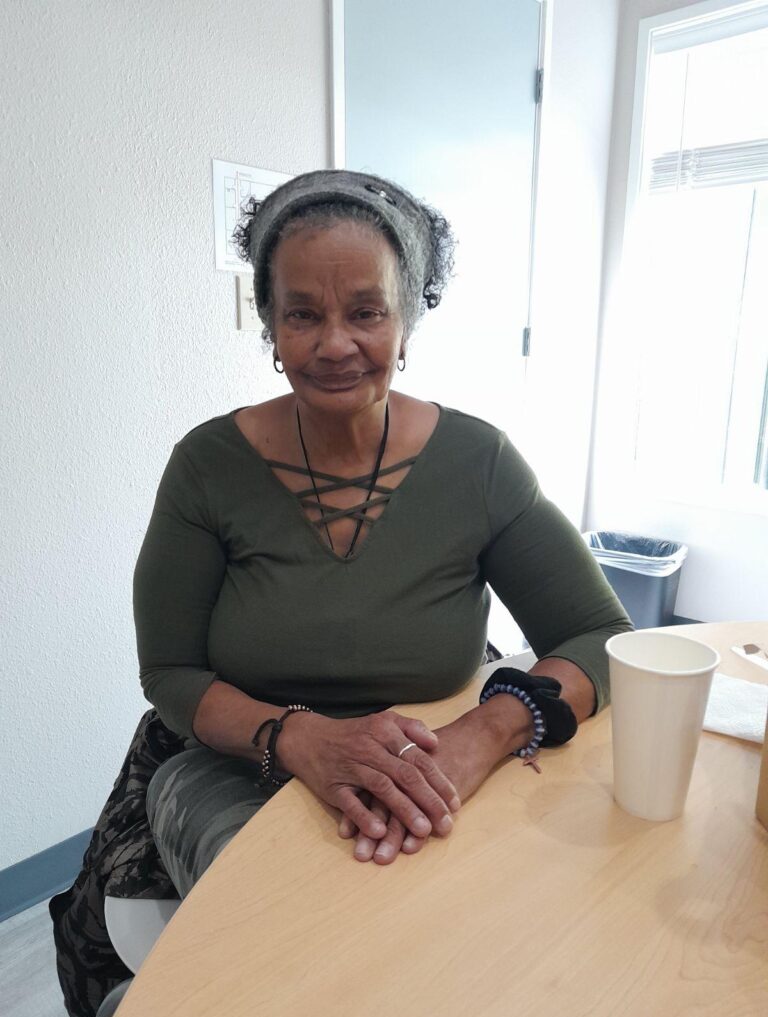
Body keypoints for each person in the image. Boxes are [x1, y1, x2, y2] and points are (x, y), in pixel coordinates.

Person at [136, 169, 633, 896]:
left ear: (406, 322)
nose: (335, 344)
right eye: (303, 314)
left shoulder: (479, 463)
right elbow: (170, 674)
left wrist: (485, 733)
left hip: (433, 759)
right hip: (244, 769)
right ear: (270, 324)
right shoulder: (206, 468)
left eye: (366, 312)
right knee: (281, 925)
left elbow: (599, 638)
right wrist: (300, 737)